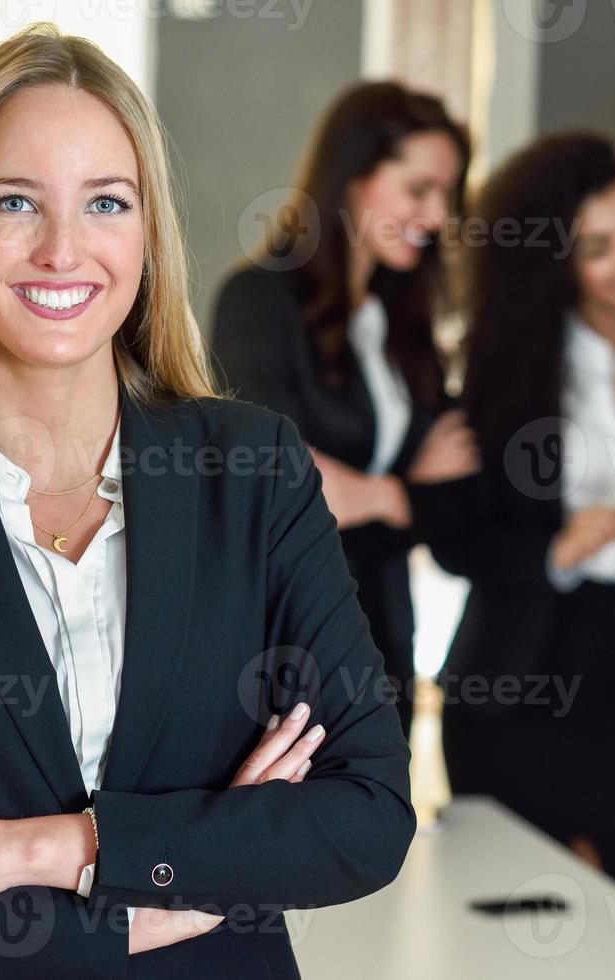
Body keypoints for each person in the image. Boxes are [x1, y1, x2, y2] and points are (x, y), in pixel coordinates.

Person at [0, 26, 413, 979]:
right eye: (14, 202)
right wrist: (151, 897)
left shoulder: (251, 469)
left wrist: (37, 850)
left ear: (146, 231)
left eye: (106, 202)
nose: (63, 250)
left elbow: (366, 815)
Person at [425, 133, 615, 904]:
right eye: (596, 245)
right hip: (510, 676)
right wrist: (556, 549)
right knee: (500, 924)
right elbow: (454, 538)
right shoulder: (501, 373)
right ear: (556, 265)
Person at [211, 81, 479, 739]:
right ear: (352, 179)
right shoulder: (258, 301)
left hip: (383, 632)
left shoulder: (398, 326)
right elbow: (275, 479)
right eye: (418, 190)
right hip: (280, 636)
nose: (436, 215)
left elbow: (461, 488)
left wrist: (375, 497)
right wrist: (401, 493)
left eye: (446, 194)